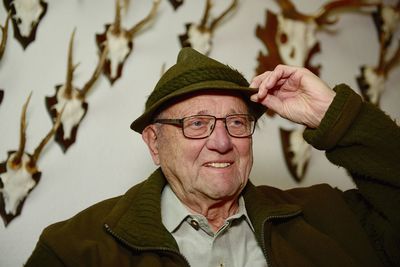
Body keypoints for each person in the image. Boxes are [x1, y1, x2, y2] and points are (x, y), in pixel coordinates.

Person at [25, 47, 400, 267]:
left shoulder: (330, 218)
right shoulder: (75, 251)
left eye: (236, 122)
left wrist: (336, 119)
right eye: (197, 123)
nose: (222, 142)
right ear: (154, 143)